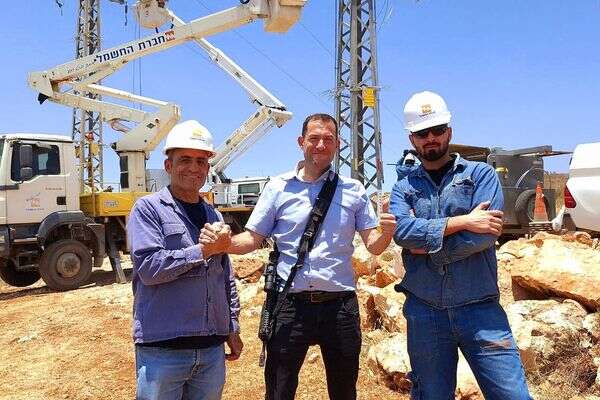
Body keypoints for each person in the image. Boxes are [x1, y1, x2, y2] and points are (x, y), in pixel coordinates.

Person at [200, 113, 397, 400]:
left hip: (340, 307)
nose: (321, 145)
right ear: (301, 141)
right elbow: (252, 239)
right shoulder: (278, 187)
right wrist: (222, 244)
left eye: (328, 139)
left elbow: (374, 246)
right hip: (290, 305)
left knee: (344, 391)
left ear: (337, 144)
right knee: (279, 390)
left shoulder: (353, 190)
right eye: (314, 138)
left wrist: (387, 231)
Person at [390, 91, 532, 399]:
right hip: (425, 311)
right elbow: (402, 232)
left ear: (449, 132)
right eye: (422, 133)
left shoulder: (481, 175)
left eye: (437, 130)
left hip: (480, 307)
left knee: (512, 395)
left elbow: (485, 235)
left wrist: (427, 248)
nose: (431, 138)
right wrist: (464, 221)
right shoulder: (403, 187)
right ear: (412, 139)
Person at [127, 120, 243, 400]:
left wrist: (232, 327)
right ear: (168, 166)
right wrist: (201, 251)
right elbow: (149, 269)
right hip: (163, 349)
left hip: (211, 350)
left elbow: (224, 277)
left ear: (208, 168)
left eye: (201, 161)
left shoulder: (213, 214)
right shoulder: (148, 209)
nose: (194, 168)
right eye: (185, 160)